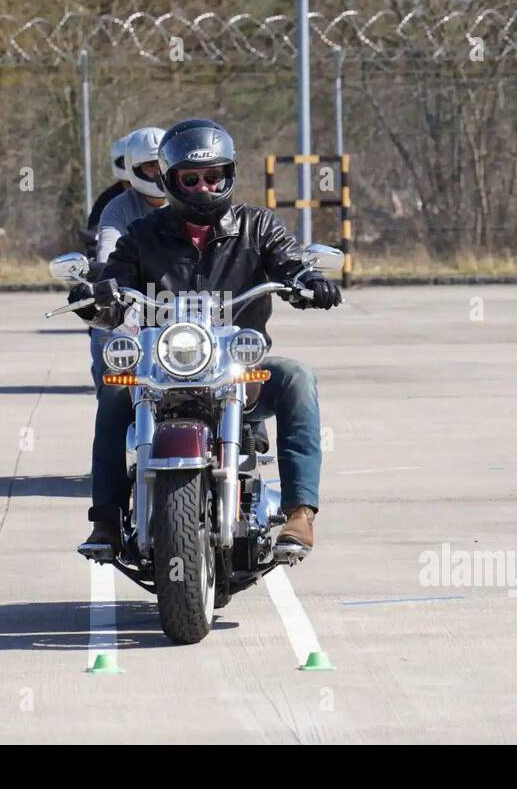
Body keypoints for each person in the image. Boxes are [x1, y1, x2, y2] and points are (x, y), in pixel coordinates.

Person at [71, 118, 342, 561]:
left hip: (240, 370)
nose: (203, 187)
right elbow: (115, 285)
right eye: (191, 179)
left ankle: (299, 513)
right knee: (114, 392)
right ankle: (105, 520)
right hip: (162, 368)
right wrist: (95, 298)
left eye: (213, 177)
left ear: (228, 175)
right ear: (170, 179)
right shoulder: (143, 235)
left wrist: (308, 281)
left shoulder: (257, 227)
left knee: (296, 377)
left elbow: (289, 263)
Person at [88, 127, 168, 391]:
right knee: (105, 334)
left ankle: (247, 425)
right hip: (137, 301)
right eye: (149, 167)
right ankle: (111, 409)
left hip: (191, 298)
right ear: (134, 168)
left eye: (162, 165)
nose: (158, 173)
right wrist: (103, 277)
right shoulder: (118, 207)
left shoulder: (193, 200)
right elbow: (108, 254)